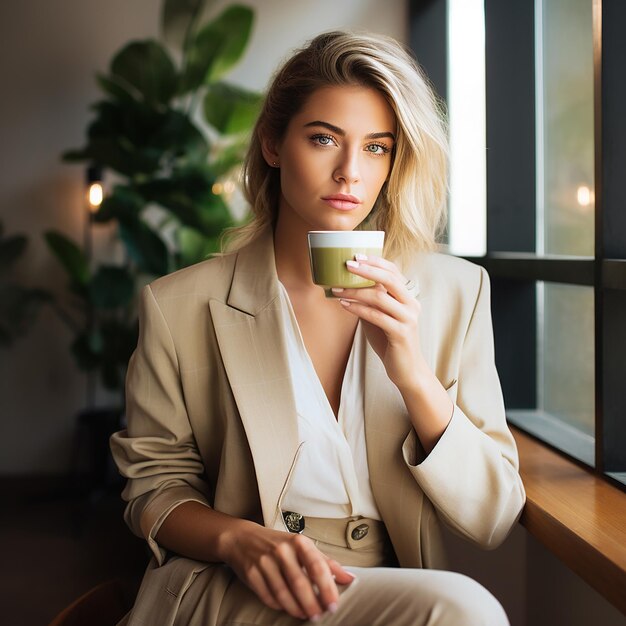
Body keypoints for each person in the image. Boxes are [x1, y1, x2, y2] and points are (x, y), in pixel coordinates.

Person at [110, 30, 525, 626]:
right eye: (323, 138)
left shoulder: (456, 292)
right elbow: (153, 490)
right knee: (464, 612)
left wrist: (411, 374)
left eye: (377, 147)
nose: (350, 172)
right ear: (274, 144)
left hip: (384, 586)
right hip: (230, 586)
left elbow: (493, 514)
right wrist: (236, 540)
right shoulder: (180, 305)